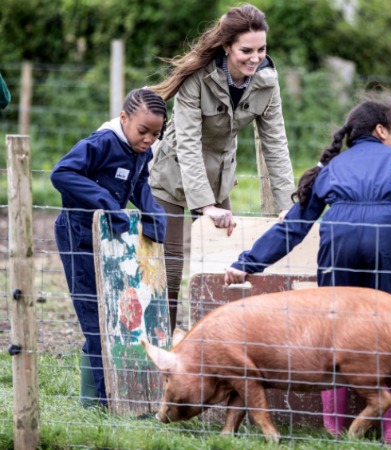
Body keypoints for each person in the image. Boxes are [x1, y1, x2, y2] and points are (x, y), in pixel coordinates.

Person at [224, 96, 391, 443]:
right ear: (380, 130)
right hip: (385, 241)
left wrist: (246, 263)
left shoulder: (331, 168)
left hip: (338, 243)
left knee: (334, 334)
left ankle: (334, 430)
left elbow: (294, 227)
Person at [148, 3, 295, 332]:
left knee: (222, 268)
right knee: (170, 271)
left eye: (262, 49)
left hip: (219, 177)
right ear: (227, 46)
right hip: (173, 175)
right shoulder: (196, 77)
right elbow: (187, 142)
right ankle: (166, 347)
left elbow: (275, 142)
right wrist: (205, 206)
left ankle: (216, 351)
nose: (254, 58)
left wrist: (288, 204)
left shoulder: (267, 83)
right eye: (246, 50)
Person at [51, 88, 168, 408]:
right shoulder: (101, 144)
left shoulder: (142, 152)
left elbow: (140, 185)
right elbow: (61, 173)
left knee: (117, 314)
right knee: (95, 319)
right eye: (143, 131)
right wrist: (105, 204)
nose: (148, 140)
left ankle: (124, 394)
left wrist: (153, 215)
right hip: (78, 234)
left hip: (109, 238)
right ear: (124, 119)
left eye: (155, 134)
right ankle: (96, 403)